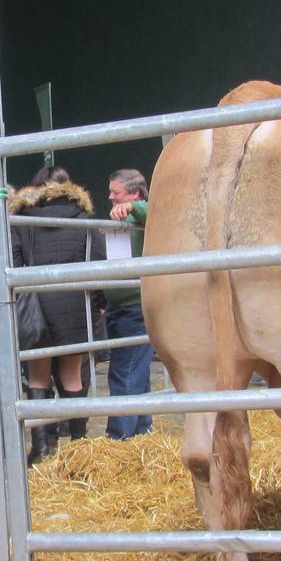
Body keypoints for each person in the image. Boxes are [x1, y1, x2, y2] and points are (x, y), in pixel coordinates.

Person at [10, 166, 105, 464]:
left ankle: (40, 449)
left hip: (35, 306)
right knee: (73, 376)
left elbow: (14, 264)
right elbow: (99, 266)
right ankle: (79, 449)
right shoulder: (86, 220)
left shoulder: (20, 220)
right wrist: (99, 303)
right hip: (74, 306)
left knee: (37, 378)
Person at [104, 168, 153, 439]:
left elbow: (152, 211)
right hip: (121, 307)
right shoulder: (122, 219)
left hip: (135, 307)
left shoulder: (141, 211)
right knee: (137, 372)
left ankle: (118, 438)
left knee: (125, 372)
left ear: (134, 193)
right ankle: (142, 431)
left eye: (116, 192)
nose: (110, 197)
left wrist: (133, 207)